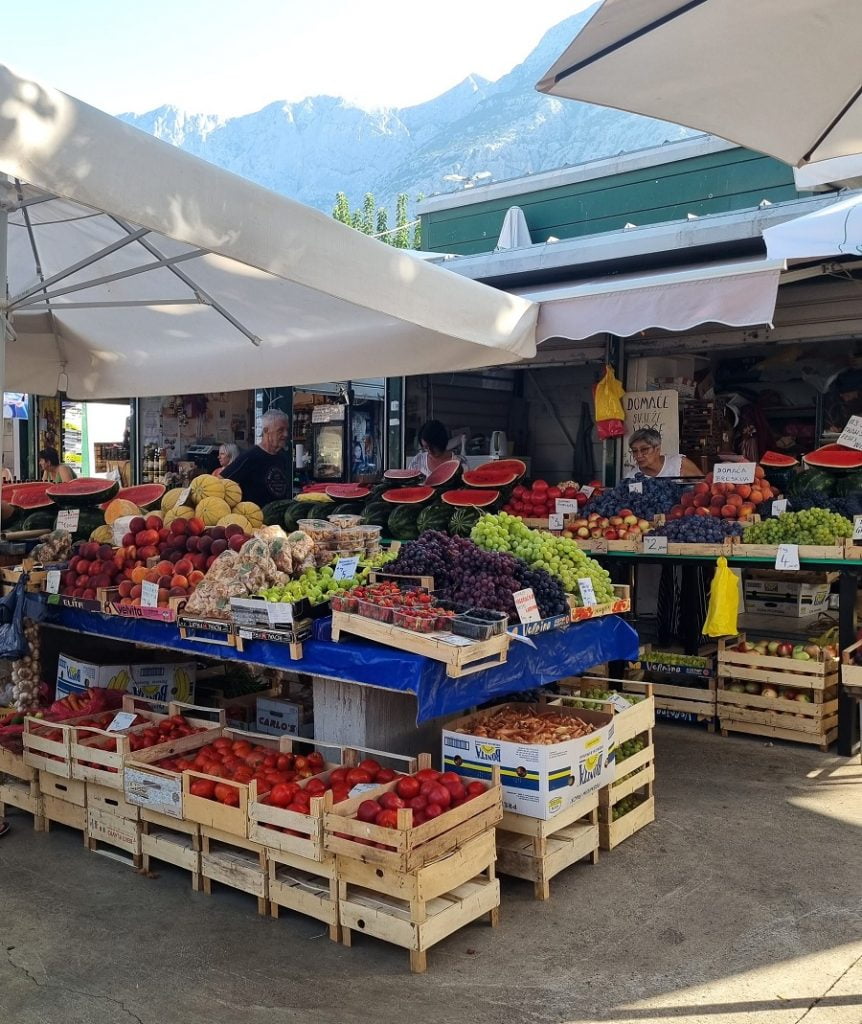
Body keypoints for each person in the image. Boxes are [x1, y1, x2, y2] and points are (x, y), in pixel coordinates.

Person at [221, 409, 290, 507]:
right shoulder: (250, 456)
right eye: (281, 430)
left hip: (278, 517)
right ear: (266, 431)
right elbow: (220, 481)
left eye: (287, 429)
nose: (286, 434)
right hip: (254, 518)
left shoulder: (282, 457)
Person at [626, 428, 702, 478]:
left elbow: (703, 487)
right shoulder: (632, 477)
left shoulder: (678, 464)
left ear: (657, 449)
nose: (638, 455)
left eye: (644, 449)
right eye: (635, 451)